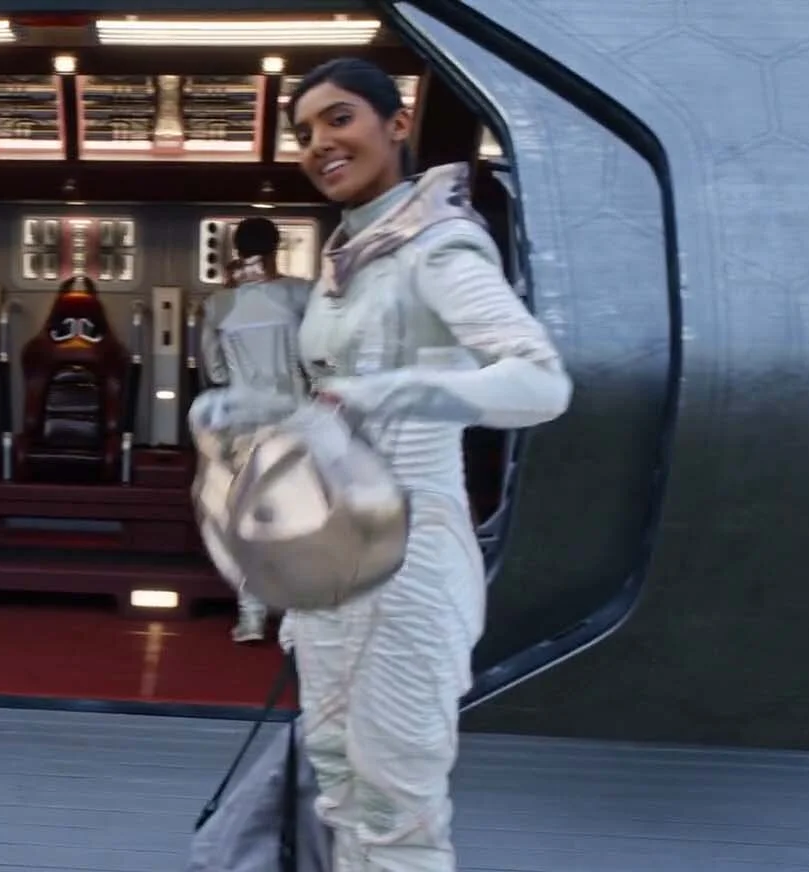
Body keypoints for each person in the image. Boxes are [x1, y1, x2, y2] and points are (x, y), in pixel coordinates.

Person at [283, 58, 572, 872]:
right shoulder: (350, 257)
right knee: (339, 778)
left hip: (409, 559)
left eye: (340, 118)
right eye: (304, 132)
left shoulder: (438, 247)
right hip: (333, 556)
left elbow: (541, 383)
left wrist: (397, 392)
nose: (319, 143)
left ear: (398, 123)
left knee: (396, 800)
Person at [199, 217, 315, 644]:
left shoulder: (219, 304)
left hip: (243, 425)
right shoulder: (301, 294)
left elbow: (214, 370)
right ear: (277, 247)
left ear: (236, 248)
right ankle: (295, 623)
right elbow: (319, 357)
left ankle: (251, 618)